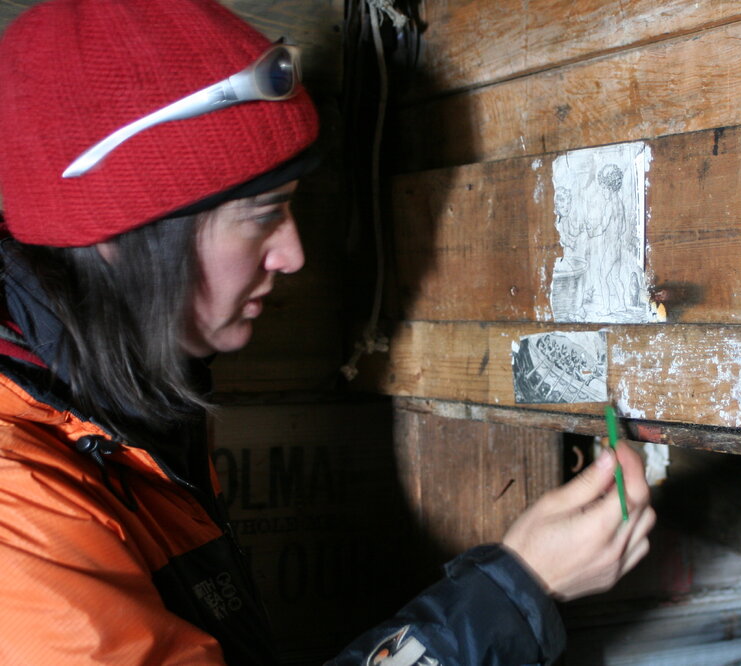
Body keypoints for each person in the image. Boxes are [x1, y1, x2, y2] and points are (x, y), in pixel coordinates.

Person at [0, 1, 656, 664]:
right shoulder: (15, 511)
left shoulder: (120, 408)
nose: (292, 255)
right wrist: (517, 591)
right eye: (261, 216)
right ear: (118, 238)